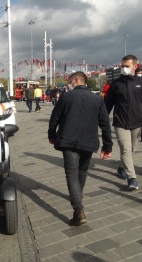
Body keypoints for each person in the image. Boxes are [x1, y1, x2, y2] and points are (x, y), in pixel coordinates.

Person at [48, 71, 113, 226]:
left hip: (68, 141)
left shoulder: (66, 97)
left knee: (71, 173)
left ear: (76, 80)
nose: (69, 84)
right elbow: (105, 125)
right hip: (88, 142)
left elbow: (54, 117)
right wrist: (107, 146)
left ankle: (78, 210)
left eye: (71, 81)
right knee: (82, 170)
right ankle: (78, 195)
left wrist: (52, 134)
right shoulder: (97, 100)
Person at [105, 55, 142, 190]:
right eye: (122, 66)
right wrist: (101, 120)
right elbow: (108, 104)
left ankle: (122, 167)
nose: (124, 68)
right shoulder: (116, 84)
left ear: (135, 66)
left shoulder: (140, 82)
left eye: (127, 66)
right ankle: (132, 179)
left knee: (131, 150)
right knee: (125, 150)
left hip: (137, 123)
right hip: (120, 122)